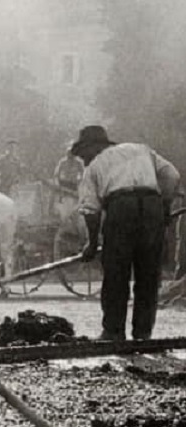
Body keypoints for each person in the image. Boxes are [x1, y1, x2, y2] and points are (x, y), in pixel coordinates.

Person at [74, 125, 180, 341]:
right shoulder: (140, 149)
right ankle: (143, 333)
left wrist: (92, 244)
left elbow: (90, 211)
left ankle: (113, 332)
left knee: (116, 273)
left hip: (120, 209)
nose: (83, 158)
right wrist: (164, 209)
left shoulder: (93, 167)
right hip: (152, 206)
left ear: (93, 147)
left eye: (83, 152)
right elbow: (172, 176)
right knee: (149, 275)